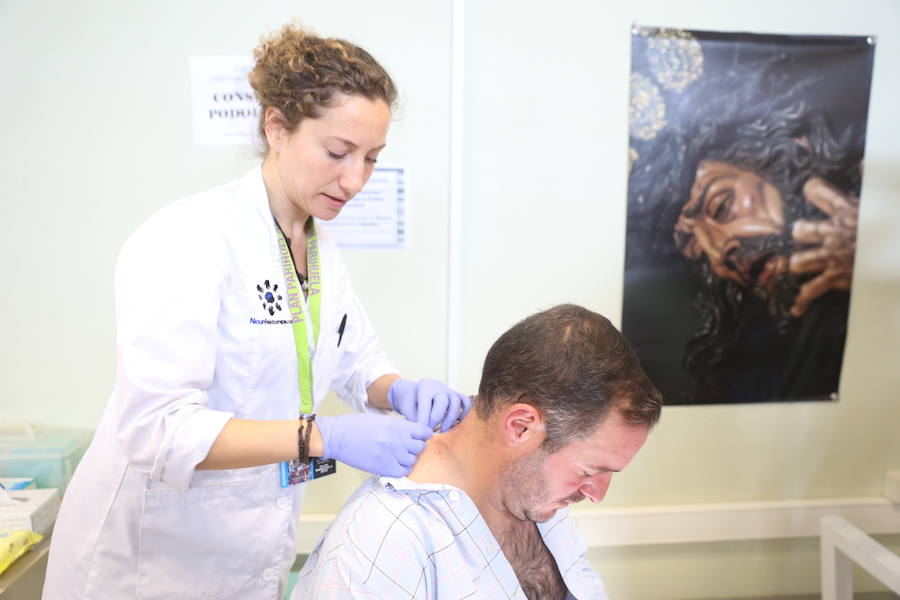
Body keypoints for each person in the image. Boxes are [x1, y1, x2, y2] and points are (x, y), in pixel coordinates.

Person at [43, 24, 470, 600]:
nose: (355, 180)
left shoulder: (318, 246)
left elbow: (352, 357)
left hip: (249, 548)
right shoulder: (190, 238)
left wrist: (395, 391)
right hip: (150, 560)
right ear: (276, 127)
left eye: (371, 158)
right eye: (339, 152)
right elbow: (156, 429)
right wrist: (327, 437)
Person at [292, 304, 663, 599]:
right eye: (589, 471)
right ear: (520, 427)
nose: (597, 495)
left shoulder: (535, 492)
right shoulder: (386, 538)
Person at [623, 30, 872, 404]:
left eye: (721, 207)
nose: (719, 254)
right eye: (694, 250)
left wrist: (866, 256)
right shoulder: (752, 365)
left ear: (788, 153)